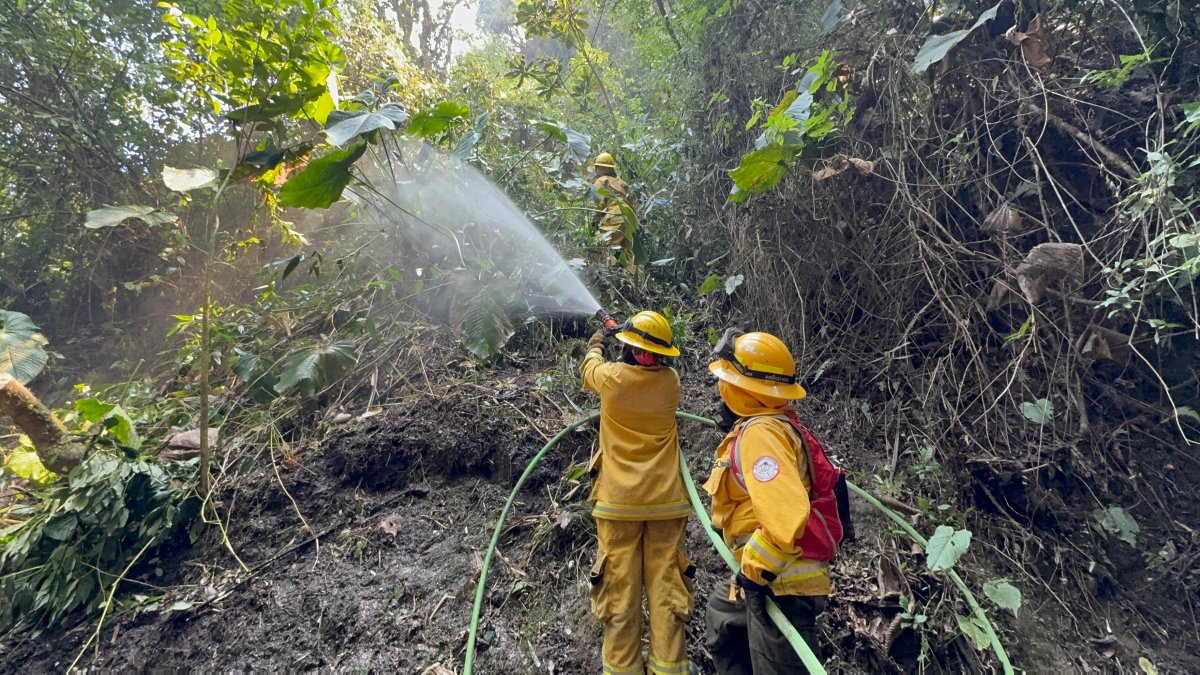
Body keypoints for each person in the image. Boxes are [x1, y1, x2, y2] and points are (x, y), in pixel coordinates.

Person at [702, 329, 833, 674]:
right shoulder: (773, 425)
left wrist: (755, 572)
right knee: (723, 617)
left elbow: (786, 516)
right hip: (771, 576)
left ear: (741, 389)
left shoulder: (761, 434)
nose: (721, 387)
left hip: (780, 585)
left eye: (726, 380)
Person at [581, 310, 694, 675]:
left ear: (628, 349)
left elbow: (589, 370)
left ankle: (623, 668)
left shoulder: (611, 379)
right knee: (665, 589)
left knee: (619, 591)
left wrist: (598, 342)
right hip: (666, 503)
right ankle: (669, 668)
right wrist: (626, 338)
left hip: (618, 505)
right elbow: (642, 367)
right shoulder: (671, 382)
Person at [590, 152, 634, 261]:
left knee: (605, 246)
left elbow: (597, 206)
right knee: (627, 253)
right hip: (630, 218)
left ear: (599, 167)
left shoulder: (601, 181)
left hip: (614, 216)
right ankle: (631, 276)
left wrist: (593, 226)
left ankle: (611, 273)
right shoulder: (622, 182)